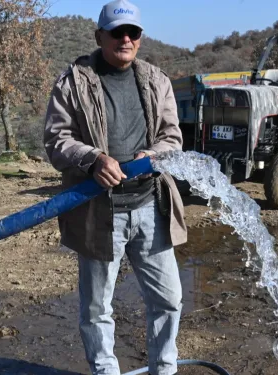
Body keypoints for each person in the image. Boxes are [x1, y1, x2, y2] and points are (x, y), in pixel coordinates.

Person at [44, 1, 187, 374]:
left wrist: (153, 154)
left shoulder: (157, 80)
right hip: (98, 211)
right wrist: (93, 159)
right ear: (99, 36)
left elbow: (172, 138)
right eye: (117, 32)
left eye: (133, 33)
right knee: (96, 308)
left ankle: (164, 368)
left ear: (140, 38)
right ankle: (106, 371)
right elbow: (56, 140)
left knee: (169, 299)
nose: (126, 39)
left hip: (149, 207)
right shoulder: (73, 81)